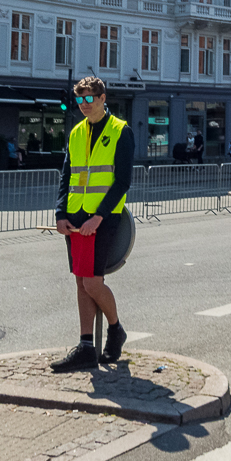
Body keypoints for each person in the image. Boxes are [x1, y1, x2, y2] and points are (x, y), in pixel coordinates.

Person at [51, 77, 132, 373]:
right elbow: (66, 176)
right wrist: (60, 213)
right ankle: (86, 345)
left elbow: (122, 181)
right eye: (80, 100)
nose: (84, 106)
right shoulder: (75, 133)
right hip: (75, 217)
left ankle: (116, 329)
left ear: (102, 98)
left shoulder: (120, 131)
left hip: (104, 218)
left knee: (92, 282)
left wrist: (98, 216)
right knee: (80, 280)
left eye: (89, 99)